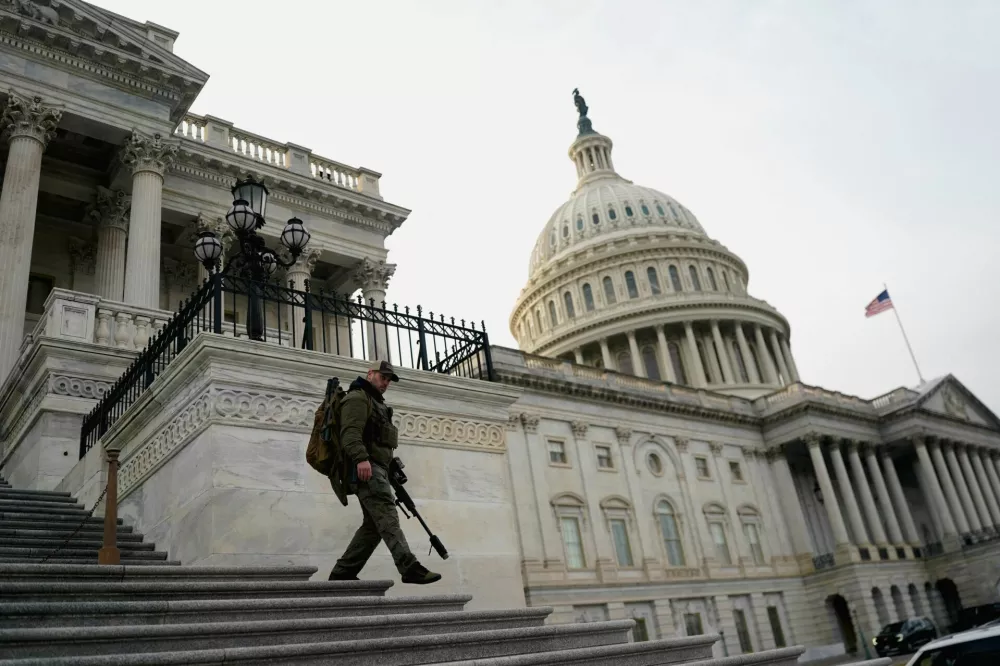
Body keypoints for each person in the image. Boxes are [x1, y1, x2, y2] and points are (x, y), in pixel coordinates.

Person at [329, 360, 442, 585]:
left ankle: (343, 573)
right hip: (366, 470)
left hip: (378, 470)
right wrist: (361, 459)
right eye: (383, 377)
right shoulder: (357, 398)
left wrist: (390, 467)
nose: (386, 383)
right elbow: (350, 434)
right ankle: (409, 567)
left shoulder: (374, 402)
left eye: (389, 380)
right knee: (388, 516)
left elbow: (378, 442)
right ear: (370, 373)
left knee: (373, 526)